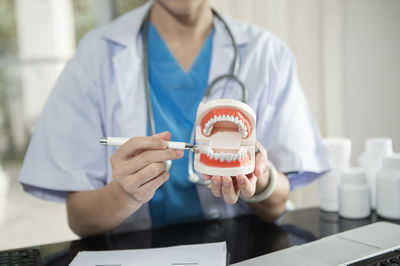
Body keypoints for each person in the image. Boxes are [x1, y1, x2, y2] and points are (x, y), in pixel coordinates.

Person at [19, 0, 329, 237]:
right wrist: (123, 194)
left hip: (242, 246)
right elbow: (81, 219)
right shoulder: (97, 54)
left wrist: (259, 181)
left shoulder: (268, 53)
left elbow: (277, 204)